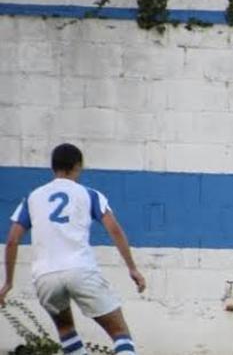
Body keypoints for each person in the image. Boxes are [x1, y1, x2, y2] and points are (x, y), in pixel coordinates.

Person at [0, 143, 146, 355]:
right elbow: (114, 230)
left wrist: (8, 282)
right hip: (80, 269)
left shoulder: (33, 198)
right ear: (78, 166)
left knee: (66, 329)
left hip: (45, 276)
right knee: (119, 331)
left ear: (53, 168)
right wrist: (132, 268)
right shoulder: (89, 195)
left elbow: (13, 240)